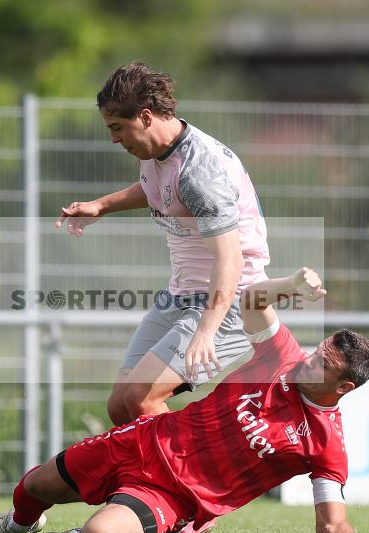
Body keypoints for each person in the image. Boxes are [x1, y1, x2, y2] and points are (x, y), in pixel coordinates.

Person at [0, 268, 369, 533]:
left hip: (173, 495)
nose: (308, 359)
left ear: (343, 387)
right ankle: (20, 524)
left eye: (322, 363)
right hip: (141, 440)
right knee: (34, 486)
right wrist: (291, 284)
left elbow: (332, 525)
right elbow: (251, 301)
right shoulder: (281, 357)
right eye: (316, 350)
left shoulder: (326, 446)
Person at [54, 61, 270, 428]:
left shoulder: (199, 172)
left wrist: (206, 329)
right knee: (120, 406)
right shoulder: (159, 153)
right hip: (182, 294)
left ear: (146, 116)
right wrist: (101, 206)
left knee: (143, 399)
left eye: (118, 128)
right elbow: (160, 192)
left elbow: (230, 261)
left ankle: (189, 481)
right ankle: (139, 484)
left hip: (229, 301)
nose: (114, 139)